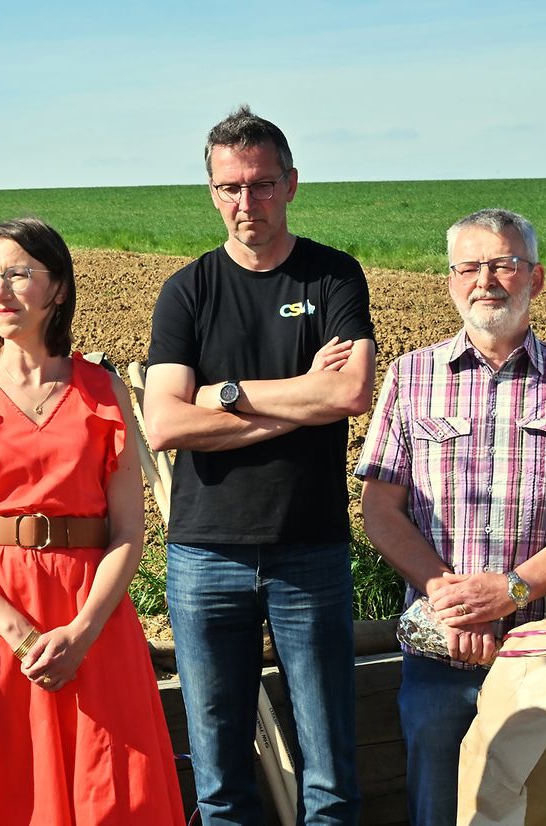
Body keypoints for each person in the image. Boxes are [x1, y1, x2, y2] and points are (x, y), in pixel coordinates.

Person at [354, 208, 546, 826]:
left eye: (503, 264)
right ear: (451, 281)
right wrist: (450, 597)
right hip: (443, 650)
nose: (485, 281)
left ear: (536, 278)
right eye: (469, 268)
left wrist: (510, 591)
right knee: (440, 809)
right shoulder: (410, 378)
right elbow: (380, 508)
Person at [144, 105, 376, 825]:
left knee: (329, 767)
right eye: (231, 187)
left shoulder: (333, 276)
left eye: (262, 183)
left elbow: (350, 392)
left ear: (291, 184)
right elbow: (164, 423)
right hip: (204, 554)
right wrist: (299, 397)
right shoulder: (188, 290)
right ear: (212, 192)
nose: (248, 201)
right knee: (219, 775)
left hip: (309, 547)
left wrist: (225, 395)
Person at [0, 217, 185, 825]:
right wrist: (19, 633)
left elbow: (128, 531)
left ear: (58, 287)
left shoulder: (103, 388)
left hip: (91, 622)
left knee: (109, 794)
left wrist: (82, 631)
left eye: (17, 274)